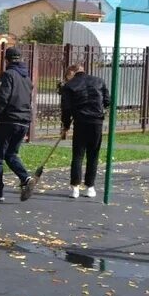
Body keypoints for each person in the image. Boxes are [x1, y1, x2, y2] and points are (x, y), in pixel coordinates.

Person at [0, 47, 34, 202]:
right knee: (11, 153)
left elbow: (3, 98)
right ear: (20, 59)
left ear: (6, 60)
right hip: (24, 121)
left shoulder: (8, 75)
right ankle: (25, 178)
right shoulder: (27, 77)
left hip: (8, 120)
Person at [59, 63, 110, 198]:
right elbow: (107, 100)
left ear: (72, 72)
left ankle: (75, 187)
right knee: (93, 155)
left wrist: (66, 125)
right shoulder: (99, 81)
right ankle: (90, 187)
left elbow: (66, 109)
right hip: (96, 122)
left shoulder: (69, 86)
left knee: (78, 155)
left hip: (80, 122)